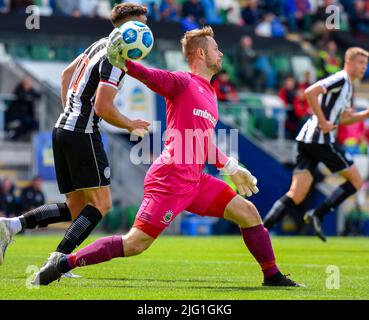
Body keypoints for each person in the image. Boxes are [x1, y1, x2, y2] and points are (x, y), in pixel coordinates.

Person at [32, 26, 303, 287]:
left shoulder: (210, 93)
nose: (220, 54)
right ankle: (64, 263)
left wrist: (231, 166)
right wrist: (124, 63)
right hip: (170, 178)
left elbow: (203, 142)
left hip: (195, 180)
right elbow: (149, 75)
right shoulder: (181, 82)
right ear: (200, 54)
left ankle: (272, 276)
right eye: (215, 49)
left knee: (248, 212)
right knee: (135, 243)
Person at [0, 3, 150, 270]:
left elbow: (66, 74)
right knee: (101, 205)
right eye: (141, 22)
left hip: (63, 128)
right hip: (82, 132)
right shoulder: (117, 56)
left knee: (75, 208)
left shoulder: (99, 44)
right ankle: (57, 261)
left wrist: (70, 112)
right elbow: (104, 108)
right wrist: (130, 125)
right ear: (127, 26)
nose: (145, 27)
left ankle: (12, 225)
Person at [263, 47, 369, 242]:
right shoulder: (341, 78)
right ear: (350, 62)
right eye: (361, 63)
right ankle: (317, 214)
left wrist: (366, 113)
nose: (364, 67)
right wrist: (322, 121)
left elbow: (343, 119)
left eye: (365, 64)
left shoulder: (347, 87)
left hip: (307, 140)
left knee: (296, 193)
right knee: (356, 181)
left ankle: (262, 230)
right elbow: (310, 92)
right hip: (320, 140)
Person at [5, 76, 40, 141]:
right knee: (25, 122)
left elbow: (37, 95)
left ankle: (37, 141)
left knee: (35, 124)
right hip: (16, 115)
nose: (29, 84)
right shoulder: (19, 88)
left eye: (30, 83)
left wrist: (29, 96)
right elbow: (21, 96)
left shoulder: (30, 90)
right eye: (27, 83)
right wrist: (29, 97)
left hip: (27, 116)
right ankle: (13, 136)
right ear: (24, 83)